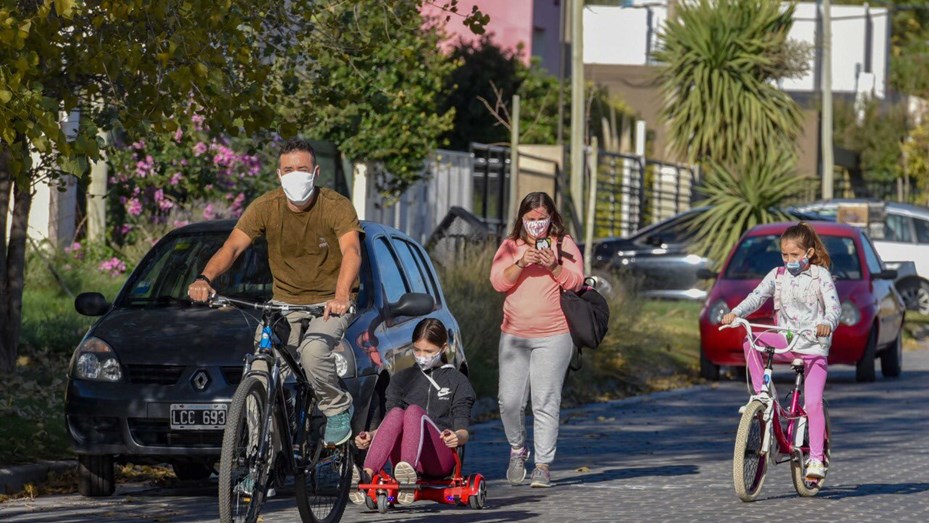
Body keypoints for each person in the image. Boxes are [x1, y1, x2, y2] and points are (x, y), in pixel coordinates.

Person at [187, 137, 362, 446]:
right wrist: (205, 278)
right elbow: (232, 248)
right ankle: (260, 456)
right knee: (258, 369)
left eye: (303, 168)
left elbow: (351, 252)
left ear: (316, 172)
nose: (296, 175)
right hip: (284, 303)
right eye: (289, 169)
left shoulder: (336, 206)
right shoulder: (266, 207)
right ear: (279, 174)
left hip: (328, 303)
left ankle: (336, 408)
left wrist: (340, 296)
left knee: (312, 352)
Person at [721, 221, 841, 481]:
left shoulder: (821, 276)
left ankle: (817, 459)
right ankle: (762, 395)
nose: (789, 260)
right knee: (750, 340)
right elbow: (757, 296)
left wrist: (826, 324)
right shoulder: (777, 275)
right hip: (786, 340)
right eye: (784, 255)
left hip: (812, 346)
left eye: (794, 255)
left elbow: (834, 308)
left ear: (808, 253)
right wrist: (736, 313)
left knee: (812, 403)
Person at [489, 191, 584, 488]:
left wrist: (553, 266)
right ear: (521, 219)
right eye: (530, 219)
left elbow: (577, 281)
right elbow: (497, 282)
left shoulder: (563, 244)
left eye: (542, 219)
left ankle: (543, 464)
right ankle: (518, 449)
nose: (536, 224)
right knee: (509, 401)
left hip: (554, 335)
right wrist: (520, 262)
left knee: (545, 400)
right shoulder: (510, 246)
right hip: (514, 335)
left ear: (551, 218)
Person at [351, 318, 476, 506]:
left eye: (428, 351)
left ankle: (407, 476)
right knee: (395, 413)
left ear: (444, 348)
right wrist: (371, 436)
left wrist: (456, 437)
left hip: (439, 458)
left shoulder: (457, 381)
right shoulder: (402, 379)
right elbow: (391, 425)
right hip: (401, 460)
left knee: (413, 411)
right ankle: (366, 475)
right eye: (417, 350)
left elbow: (463, 430)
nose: (421, 356)